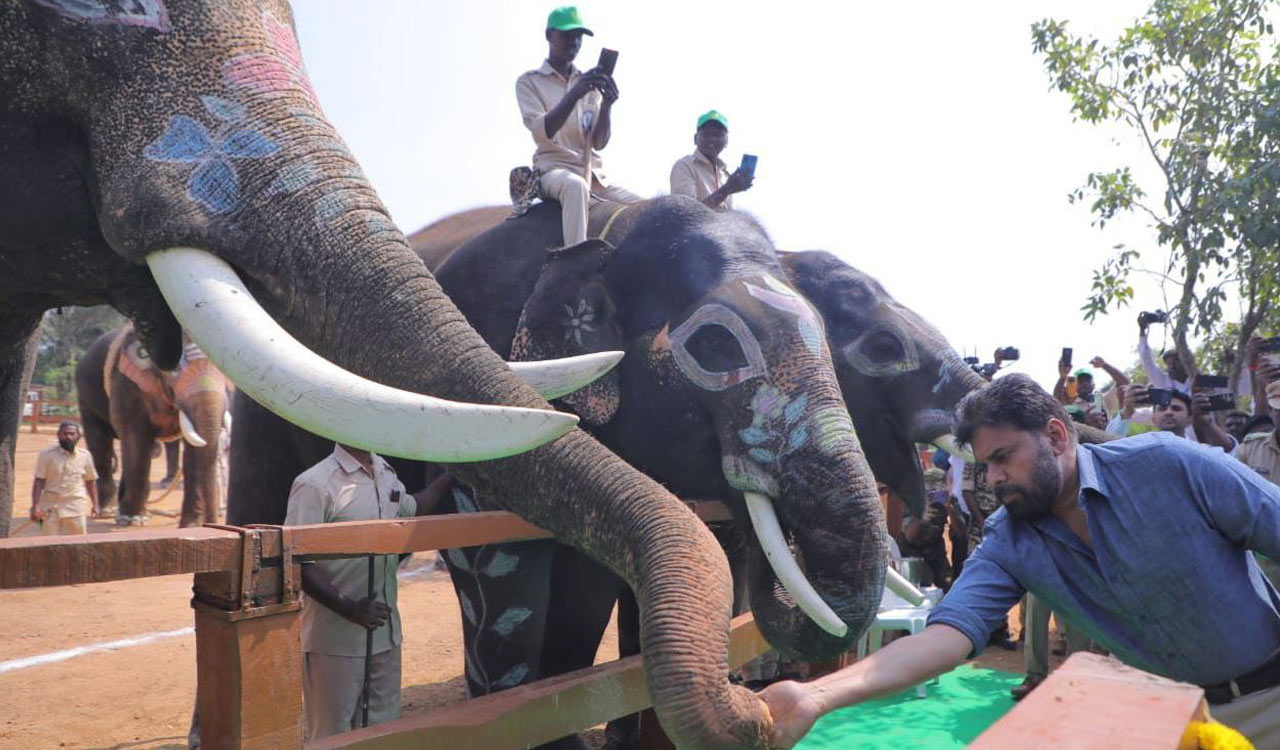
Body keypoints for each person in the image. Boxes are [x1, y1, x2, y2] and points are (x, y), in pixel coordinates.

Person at [760, 375, 1280, 749]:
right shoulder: (1009, 539)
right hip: (1165, 718)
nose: (993, 479)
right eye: (984, 466)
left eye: (1003, 457)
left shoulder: (1172, 467)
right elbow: (945, 638)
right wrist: (816, 695)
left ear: (1055, 436)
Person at [286, 443, 451, 739]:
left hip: (386, 637)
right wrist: (349, 608)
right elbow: (297, 563)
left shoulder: (385, 472)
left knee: (383, 732)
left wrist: (453, 474)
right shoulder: (314, 484)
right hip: (336, 642)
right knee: (332, 736)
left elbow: (414, 506)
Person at [515, 6, 642, 247]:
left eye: (578, 36)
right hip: (553, 171)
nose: (574, 41)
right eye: (567, 35)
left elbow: (599, 142)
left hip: (595, 176)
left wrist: (607, 105)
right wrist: (573, 95)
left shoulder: (588, 82)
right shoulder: (529, 82)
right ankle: (575, 259)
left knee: (649, 208)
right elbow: (542, 134)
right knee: (575, 187)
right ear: (549, 35)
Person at [669, 110, 753, 209]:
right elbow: (688, 214)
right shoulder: (685, 166)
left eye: (718, 135)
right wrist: (727, 189)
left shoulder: (724, 174)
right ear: (695, 139)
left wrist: (731, 187)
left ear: (726, 141)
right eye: (707, 134)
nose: (712, 139)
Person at [30, 421, 98, 535]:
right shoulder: (46, 455)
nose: (68, 437)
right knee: (46, 542)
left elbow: (90, 480)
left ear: (78, 436)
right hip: (48, 507)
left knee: (77, 542)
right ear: (58, 435)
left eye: (72, 434)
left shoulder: (85, 456)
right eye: (64, 433)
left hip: (75, 505)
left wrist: (95, 505)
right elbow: (39, 481)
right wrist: (35, 507)